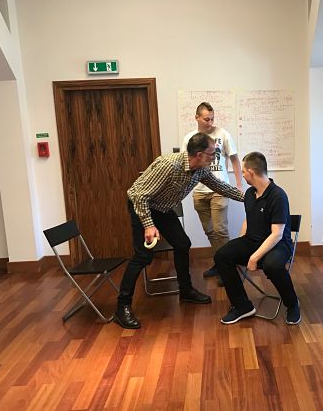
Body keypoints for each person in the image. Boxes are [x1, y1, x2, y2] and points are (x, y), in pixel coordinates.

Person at [114, 133, 244, 329]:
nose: (214, 157)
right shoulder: (168, 165)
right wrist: (149, 225)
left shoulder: (200, 170)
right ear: (199, 154)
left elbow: (220, 186)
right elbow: (138, 195)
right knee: (143, 256)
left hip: (162, 209)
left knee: (183, 244)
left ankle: (186, 291)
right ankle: (121, 307)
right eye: (211, 154)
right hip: (141, 206)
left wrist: (250, 198)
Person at [214, 152, 300, 325]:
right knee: (222, 255)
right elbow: (249, 219)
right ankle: (243, 306)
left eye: (243, 172)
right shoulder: (249, 194)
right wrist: (237, 243)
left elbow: (277, 234)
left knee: (272, 265)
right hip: (253, 240)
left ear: (251, 172)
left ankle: (292, 304)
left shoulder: (278, 196)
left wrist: (254, 257)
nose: (242, 175)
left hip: (278, 245)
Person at [181, 102, 243, 284]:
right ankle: (220, 263)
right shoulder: (189, 138)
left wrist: (239, 184)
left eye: (212, 118)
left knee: (220, 230)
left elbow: (235, 160)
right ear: (197, 118)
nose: (210, 122)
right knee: (210, 231)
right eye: (206, 119)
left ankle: (228, 268)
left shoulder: (222, 134)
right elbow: (187, 163)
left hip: (219, 189)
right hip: (199, 192)